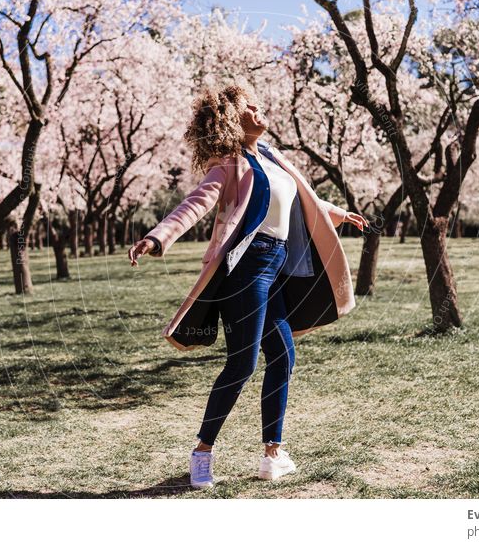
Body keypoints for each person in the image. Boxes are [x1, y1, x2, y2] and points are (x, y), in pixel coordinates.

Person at [128, 83, 367, 489]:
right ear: (230, 119)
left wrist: (338, 213)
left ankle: (273, 454)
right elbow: (196, 203)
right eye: (248, 108)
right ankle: (202, 452)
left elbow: (299, 201)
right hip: (246, 270)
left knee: (283, 355)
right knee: (243, 363)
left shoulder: (274, 158)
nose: (258, 111)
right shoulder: (229, 165)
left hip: (279, 268)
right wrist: (158, 237)